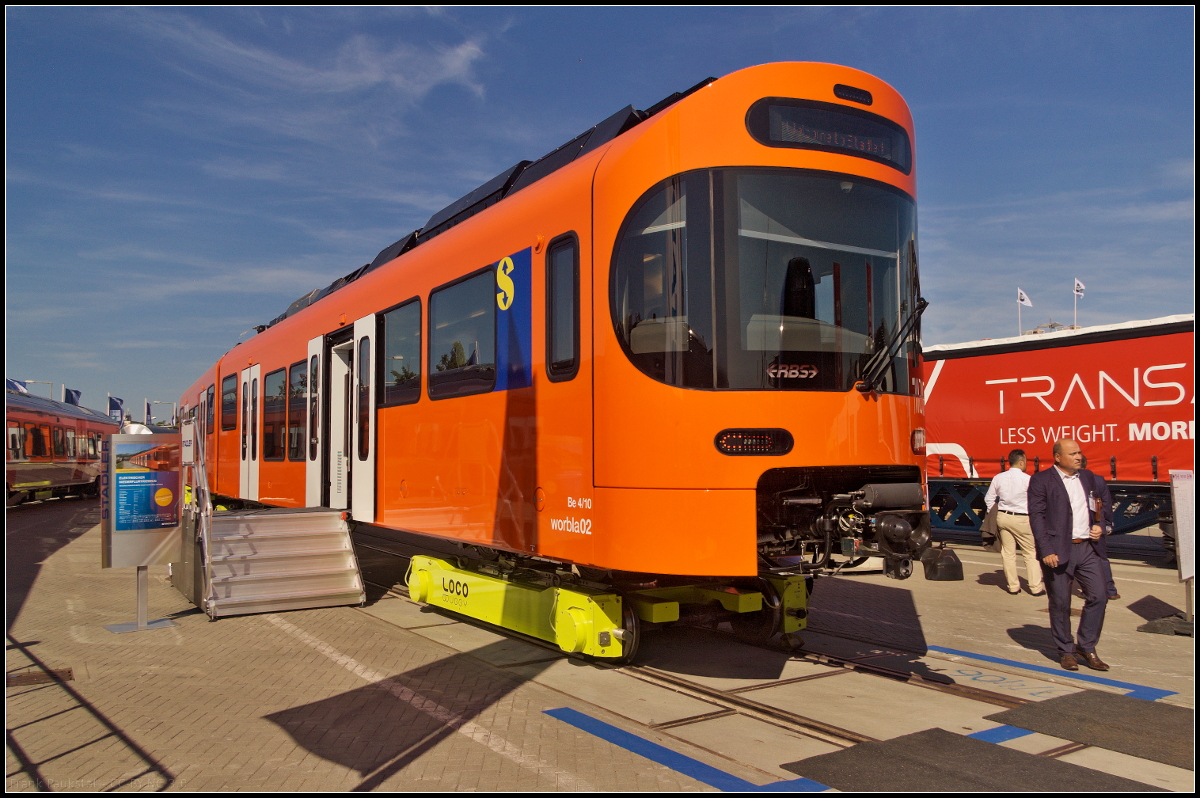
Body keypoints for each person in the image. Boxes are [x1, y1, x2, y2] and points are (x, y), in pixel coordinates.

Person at [1028, 438, 1114, 672]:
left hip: (1087, 548)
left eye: (1079, 452)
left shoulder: (1087, 477)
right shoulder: (1041, 480)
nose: (1079, 457)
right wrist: (1046, 550)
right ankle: (1066, 651)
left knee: (1099, 596)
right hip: (1058, 549)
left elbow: (1099, 506)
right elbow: (1037, 517)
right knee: (1060, 602)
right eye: (1073, 453)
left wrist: (1100, 525)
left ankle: (1086, 646)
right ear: (1057, 457)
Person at [984, 449, 1044, 596]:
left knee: (1008, 553)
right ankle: (1035, 587)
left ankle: (1013, 587)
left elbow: (989, 498)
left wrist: (995, 512)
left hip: (1003, 517)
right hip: (1022, 518)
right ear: (1021, 462)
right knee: (1030, 553)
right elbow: (1036, 501)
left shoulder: (998, 477)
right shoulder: (1028, 479)